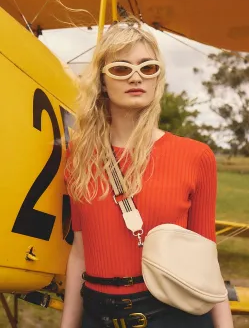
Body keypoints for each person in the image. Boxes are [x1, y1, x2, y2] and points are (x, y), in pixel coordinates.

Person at [60, 17, 234, 328]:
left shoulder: (196, 156)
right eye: (121, 68)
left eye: (147, 67)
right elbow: (80, 252)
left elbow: (207, 258)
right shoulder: (80, 155)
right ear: (102, 80)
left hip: (172, 315)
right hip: (97, 315)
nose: (135, 77)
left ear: (157, 78)